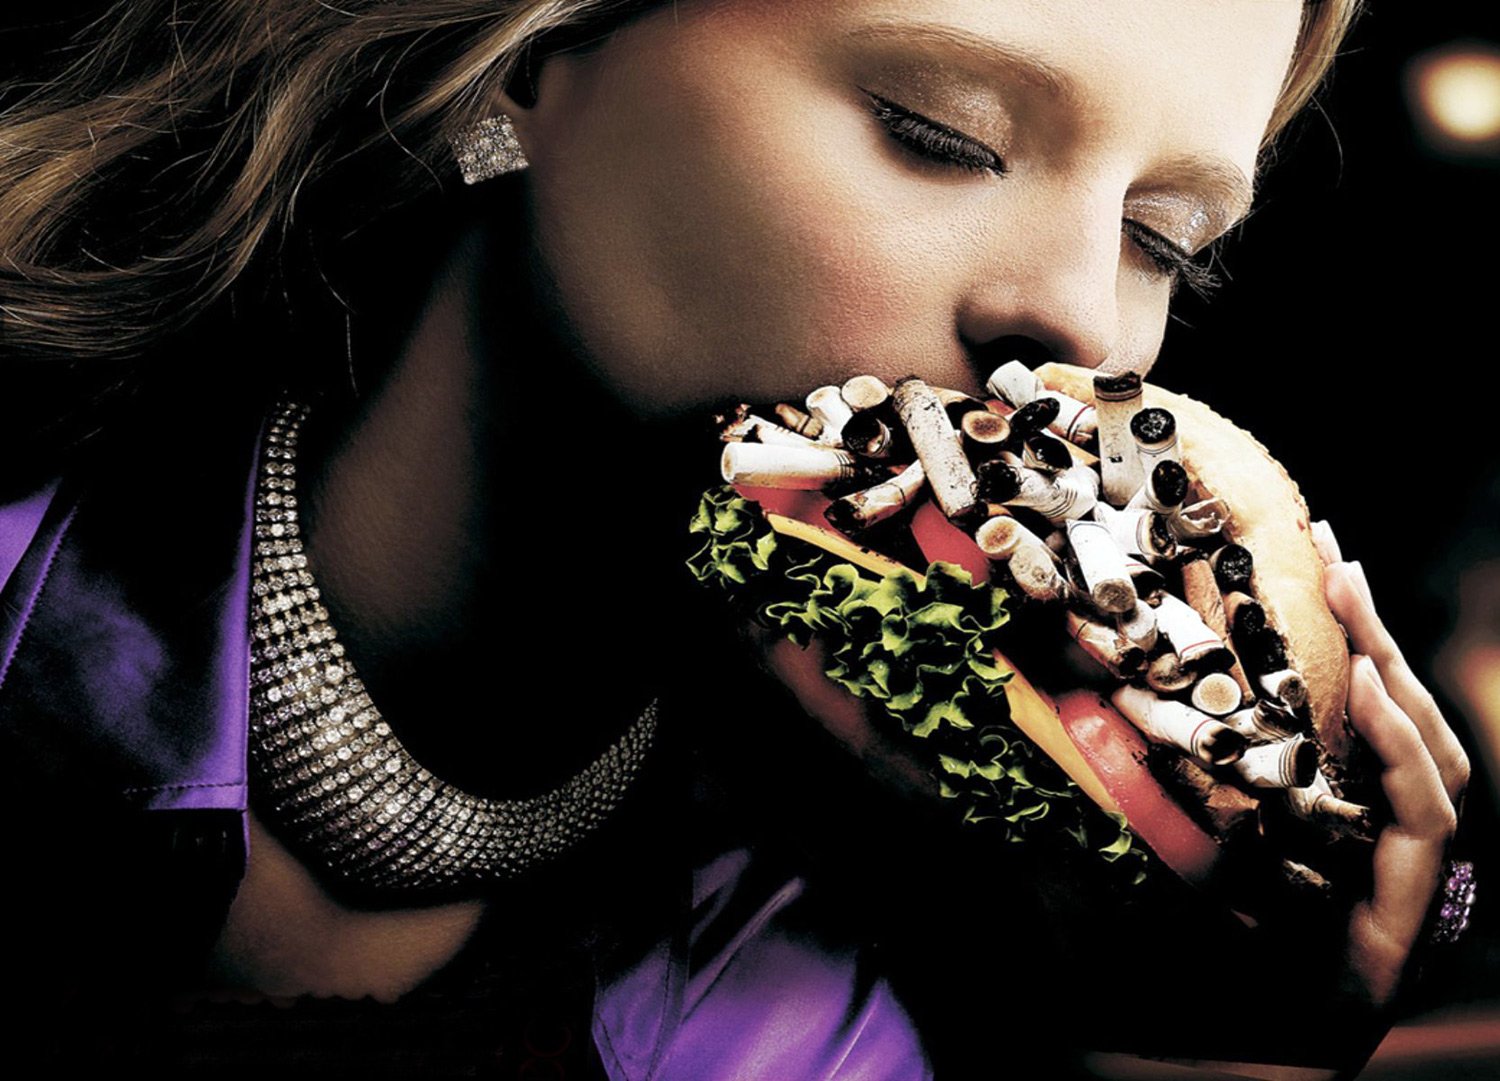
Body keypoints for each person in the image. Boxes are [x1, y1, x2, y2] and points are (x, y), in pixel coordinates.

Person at [0, 0, 1474, 1076]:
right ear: (535, 50)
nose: (1084, 324)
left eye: (1165, 243)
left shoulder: (827, 990)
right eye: (942, 134)